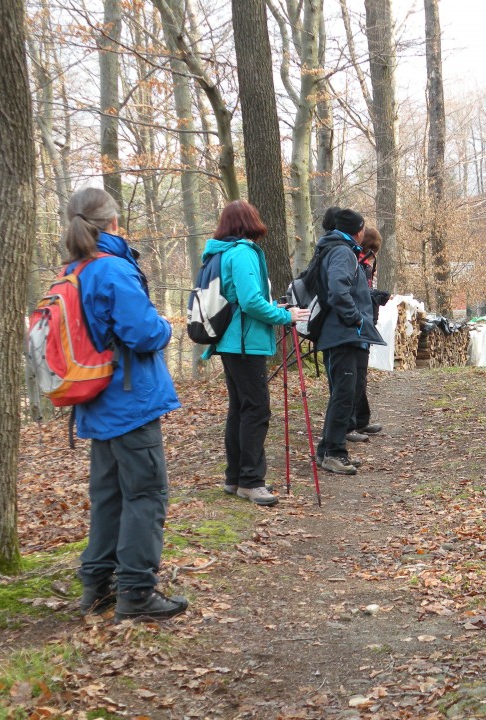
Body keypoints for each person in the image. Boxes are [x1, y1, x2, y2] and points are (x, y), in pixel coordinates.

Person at [67, 187, 187, 623]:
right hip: (128, 399)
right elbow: (143, 333)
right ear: (114, 223)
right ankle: (136, 593)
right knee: (146, 493)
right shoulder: (114, 269)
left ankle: (96, 588)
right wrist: (164, 325)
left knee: (109, 496)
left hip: (95, 399)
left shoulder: (74, 269)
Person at [201, 200, 309, 506]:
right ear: (251, 222)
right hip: (245, 343)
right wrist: (285, 317)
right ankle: (251, 481)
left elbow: (241, 300)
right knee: (256, 410)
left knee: (240, 409)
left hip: (228, 341)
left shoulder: (218, 254)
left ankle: (235, 477)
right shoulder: (243, 253)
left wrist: (275, 308)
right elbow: (250, 303)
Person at [314, 208, 387, 474]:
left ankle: (327, 450)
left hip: (344, 334)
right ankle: (334, 452)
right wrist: (355, 319)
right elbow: (337, 290)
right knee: (343, 395)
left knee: (343, 394)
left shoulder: (339, 249)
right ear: (355, 230)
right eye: (360, 228)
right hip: (342, 334)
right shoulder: (343, 251)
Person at [346, 226, 390, 443]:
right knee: (355, 375)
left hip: (366, 323)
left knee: (360, 374)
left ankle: (361, 420)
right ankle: (350, 423)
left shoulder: (366, 263)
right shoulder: (359, 262)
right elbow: (358, 294)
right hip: (359, 325)